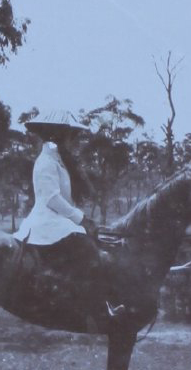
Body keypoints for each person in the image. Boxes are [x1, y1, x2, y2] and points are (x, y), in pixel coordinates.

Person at [14, 110, 123, 315]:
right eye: (71, 136)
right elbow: (52, 199)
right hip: (46, 221)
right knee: (86, 248)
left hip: (57, 219)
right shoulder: (46, 162)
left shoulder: (58, 160)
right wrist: (80, 218)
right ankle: (96, 306)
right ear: (58, 135)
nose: (74, 141)